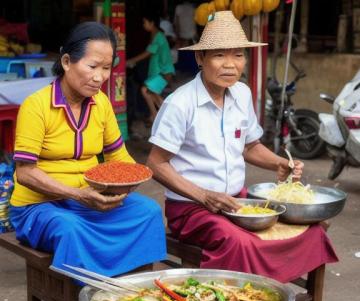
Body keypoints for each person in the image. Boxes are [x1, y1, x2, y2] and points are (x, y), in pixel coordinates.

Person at [147, 11, 338, 283]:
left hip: (238, 201)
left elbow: (250, 147)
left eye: (238, 55)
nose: (230, 65)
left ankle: (266, 294)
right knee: (240, 243)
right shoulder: (180, 104)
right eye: (219, 55)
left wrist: (280, 163)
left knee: (310, 231)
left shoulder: (242, 93)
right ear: (200, 58)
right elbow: (155, 163)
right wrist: (204, 195)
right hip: (191, 210)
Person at [10, 22, 166, 277]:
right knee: (70, 228)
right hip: (38, 206)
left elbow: (117, 155)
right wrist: (78, 195)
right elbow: (26, 172)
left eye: (106, 68)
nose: (99, 77)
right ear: (67, 61)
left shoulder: (101, 103)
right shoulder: (35, 106)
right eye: (92, 66)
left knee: (148, 211)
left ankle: (134, 284)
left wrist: (134, 177)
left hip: (87, 199)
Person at [126, 12, 175, 124]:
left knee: (146, 90)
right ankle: (160, 116)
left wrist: (131, 61)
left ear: (152, 23)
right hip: (159, 72)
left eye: (145, 22)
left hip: (163, 72)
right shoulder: (155, 35)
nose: (143, 25)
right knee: (151, 94)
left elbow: (148, 53)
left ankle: (158, 116)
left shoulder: (158, 36)